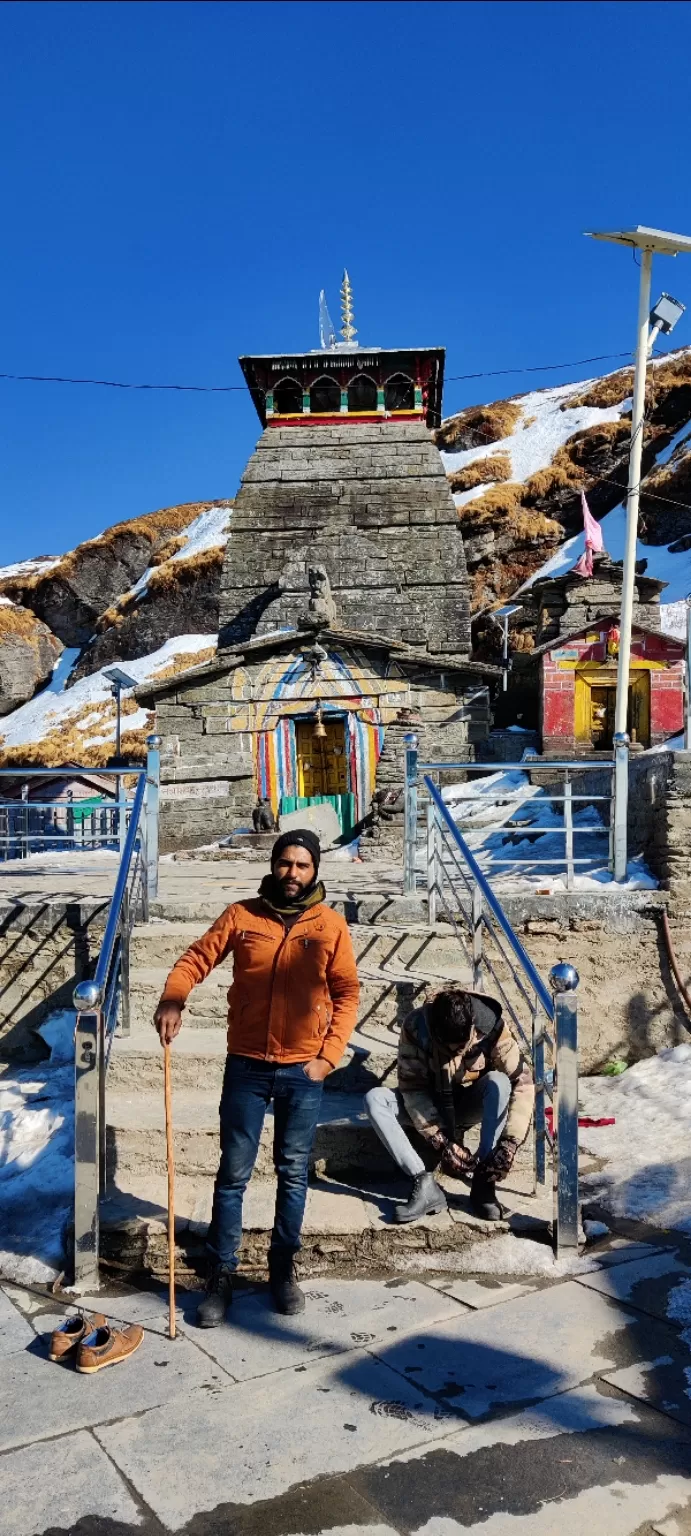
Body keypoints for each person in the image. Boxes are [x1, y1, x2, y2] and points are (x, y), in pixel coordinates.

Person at [154, 829, 359, 1324]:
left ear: (315, 871)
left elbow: (348, 993)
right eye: (285, 864)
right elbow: (195, 959)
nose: (293, 873)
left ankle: (282, 1269)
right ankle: (220, 1273)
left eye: (302, 865)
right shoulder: (242, 915)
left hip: (302, 1069)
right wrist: (173, 998)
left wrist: (327, 1058)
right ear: (273, 865)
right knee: (233, 1175)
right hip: (246, 1065)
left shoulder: (330, 925)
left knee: (292, 1173)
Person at [364, 987, 534, 1223]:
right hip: (427, 1108)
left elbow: (523, 1082)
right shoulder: (415, 1027)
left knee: (500, 1081)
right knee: (374, 1099)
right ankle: (423, 1183)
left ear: (473, 1026)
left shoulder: (492, 1026)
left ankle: (484, 1178)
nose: (455, 1054)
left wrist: (510, 1144)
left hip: (466, 1103)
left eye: (461, 1046)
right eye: (449, 1048)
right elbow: (412, 1090)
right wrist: (441, 1141)